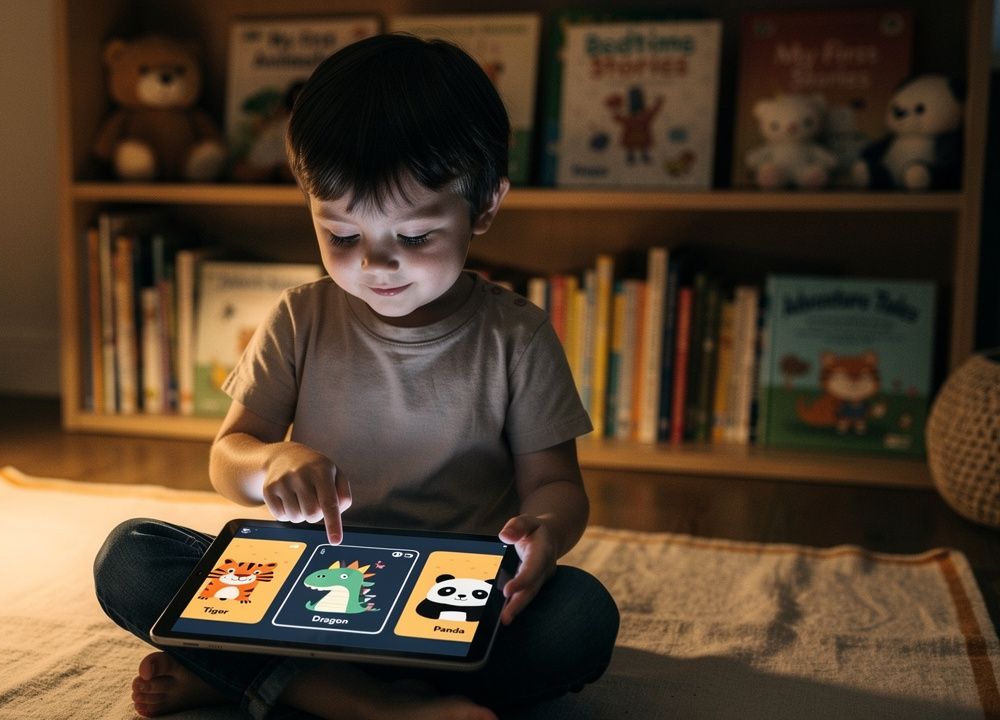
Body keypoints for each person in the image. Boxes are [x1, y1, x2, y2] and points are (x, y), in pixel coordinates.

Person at [94, 33, 619, 720]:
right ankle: (377, 707)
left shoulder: (517, 336)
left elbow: (555, 485)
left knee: (580, 617)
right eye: (342, 236)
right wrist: (270, 462)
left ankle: (254, 679)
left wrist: (543, 536)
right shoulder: (302, 316)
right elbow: (229, 457)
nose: (374, 264)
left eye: (413, 237)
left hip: (447, 599)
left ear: (485, 204)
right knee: (131, 556)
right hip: (308, 594)